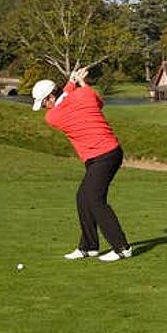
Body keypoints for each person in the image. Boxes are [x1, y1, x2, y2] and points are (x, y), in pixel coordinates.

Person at [32, 66, 133, 263]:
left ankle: (122, 248)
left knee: (95, 200)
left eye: (44, 102)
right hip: (105, 155)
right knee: (83, 198)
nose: (44, 107)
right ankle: (89, 247)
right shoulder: (85, 94)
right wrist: (79, 82)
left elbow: (65, 100)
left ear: (51, 97)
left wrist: (71, 83)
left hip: (105, 156)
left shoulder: (53, 117)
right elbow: (98, 103)